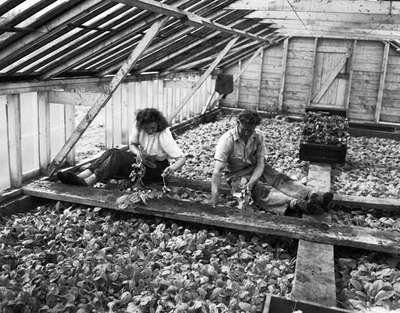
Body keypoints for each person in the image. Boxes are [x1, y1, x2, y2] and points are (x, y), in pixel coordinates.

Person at [211, 110, 333, 215]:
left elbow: (260, 164)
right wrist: (214, 197)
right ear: (238, 123)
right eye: (245, 129)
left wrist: (252, 181)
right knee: (260, 190)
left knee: (278, 178)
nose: (247, 133)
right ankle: (295, 204)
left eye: (251, 130)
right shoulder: (227, 140)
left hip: (255, 168)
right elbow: (217, 172)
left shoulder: (258, 136)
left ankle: (312, 196)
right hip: (236, 175)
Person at [58, 108, 186, 186]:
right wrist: (138, 154)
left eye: (153, 128)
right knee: (112, 151)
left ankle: (89, 182)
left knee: (117, 157)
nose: (150, 131)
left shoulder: (164, 133)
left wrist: (172, 168)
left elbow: (181, 158)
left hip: (156, 169)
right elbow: (132, 144)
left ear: (158, 124)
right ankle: (80, 176)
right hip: (142, 162)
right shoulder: (139, 126)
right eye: (146, 129)